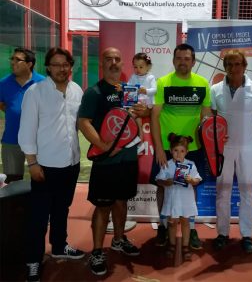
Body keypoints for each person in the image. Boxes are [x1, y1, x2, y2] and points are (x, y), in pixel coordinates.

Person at [18, 47, 85, 282]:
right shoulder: (35, 92)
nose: (61, 69)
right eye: (56, 65)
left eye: (65, 64)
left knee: (61, 209)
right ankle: (34, 260)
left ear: (71, 66)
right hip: (44, 166)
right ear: (48, 67)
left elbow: (82, 124)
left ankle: (59, 246)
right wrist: (32, 163)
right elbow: (26, 131)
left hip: (71, 163)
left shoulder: (77, 90)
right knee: (38, 216)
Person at [78, 47, 140, 277]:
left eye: (117, 59)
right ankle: (96, 250)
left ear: (122, 64)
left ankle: (118, 240)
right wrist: (104, 146)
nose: (113, 62)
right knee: (103, 206)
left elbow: (132, 118)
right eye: (108, 59)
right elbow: (84, 122)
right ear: (102, 64)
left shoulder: (128, 91)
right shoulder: (94, 92)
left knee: (121, 202)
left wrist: (142, 111)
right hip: (106, 161)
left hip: (128, 158)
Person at [150, 43, 212, 249]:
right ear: (173, 60)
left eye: (187, 58)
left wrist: (210, 144)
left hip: (193, 149)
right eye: (179, 58)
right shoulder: (163, 83)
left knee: (191, 187)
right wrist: (159, 148)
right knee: (162, 187)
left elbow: (206, 117)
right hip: (167, 149)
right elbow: (155, 115)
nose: (183, 62)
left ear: (193, 62)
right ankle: (162, 225)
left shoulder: (203, 83)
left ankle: (191, 228)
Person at [210, 49, 252, 254]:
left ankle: (247, 235)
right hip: (223, 150)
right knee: (222, 192)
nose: (233, 68)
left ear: (244, 66)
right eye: (229, 64)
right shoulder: (215, 89)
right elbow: (212, 119)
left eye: (237, 64)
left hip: (248, 149)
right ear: (224, 67)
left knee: (247, 193)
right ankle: (222, 234)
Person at [0, 48, 44, 183]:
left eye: (17, 60)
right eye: (12, 59)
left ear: (29, 64)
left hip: (39, 141)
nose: (13, 63)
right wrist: (13, 111)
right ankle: (16, 205)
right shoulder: (3, 83)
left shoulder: (43, 83)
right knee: (12, 182)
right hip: (11, 140)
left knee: (40, 179)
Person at [155, 133, 201, 261]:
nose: (178, 154)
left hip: (185, 200)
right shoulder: (166, 164)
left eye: (182, 151)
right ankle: (172, 244)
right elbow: (158, 180)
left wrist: (191, 180)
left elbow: (197, 179)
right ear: (170, 151)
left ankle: (185, 246)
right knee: (172, 223)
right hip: (172, 200)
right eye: (175, 150)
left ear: (186, 152)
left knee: (186, 222)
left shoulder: (190, 164)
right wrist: (165, 182)